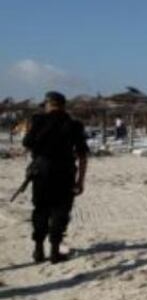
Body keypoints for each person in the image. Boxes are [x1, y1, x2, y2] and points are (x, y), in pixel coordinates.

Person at [22, 91, 89, 263]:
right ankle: (54, 251)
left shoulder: (38, 121)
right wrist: (80, 180)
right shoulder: (74, 125)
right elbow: (82, 155)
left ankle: (38, 250)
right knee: (60, 211)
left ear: (48, 105)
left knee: (41, 209)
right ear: (63, 105)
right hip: (65, 171)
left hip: (41, 171)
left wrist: (40, 153)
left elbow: (27, 144)